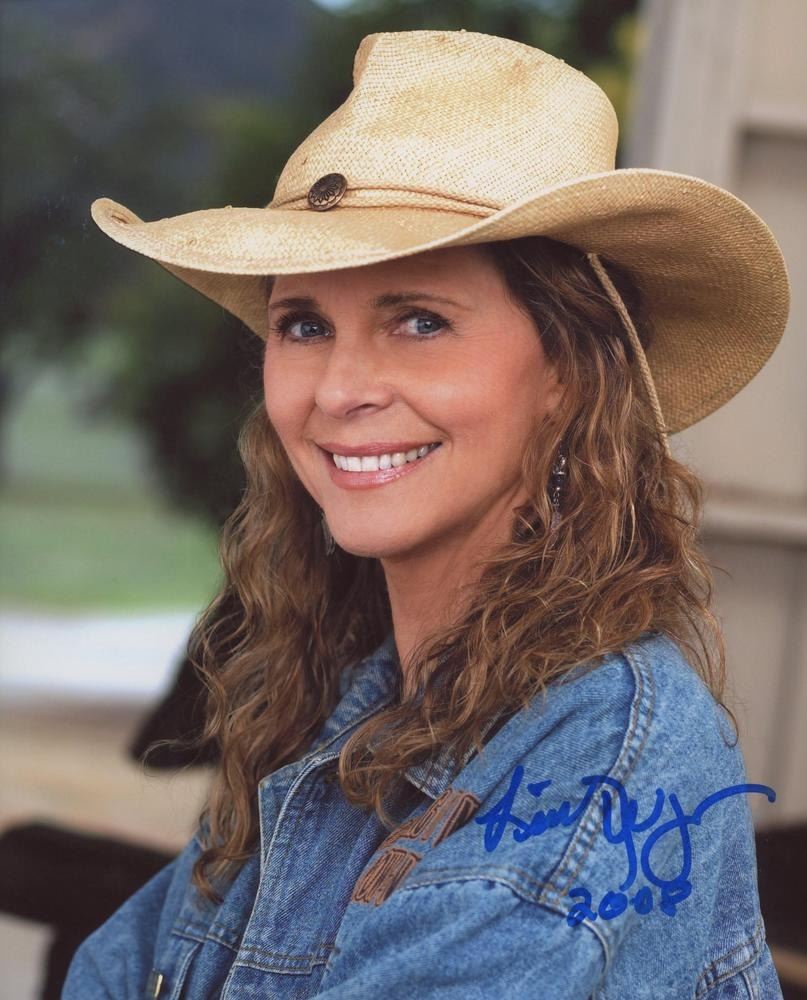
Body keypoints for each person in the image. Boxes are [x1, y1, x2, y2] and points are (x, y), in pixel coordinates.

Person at [63, 29, 790, 1000]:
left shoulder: (599, 754)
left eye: (419, 322)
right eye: (304, 325)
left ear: (568, 375)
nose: (340, 389)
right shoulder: (337, 704)